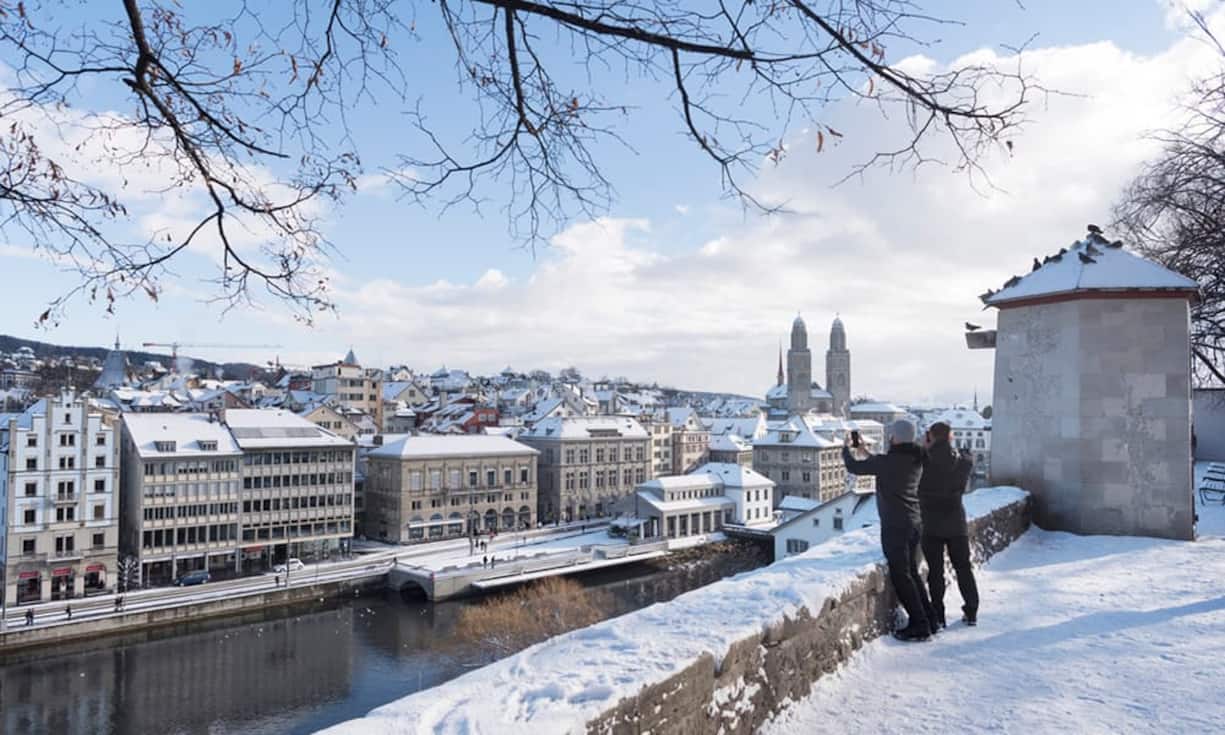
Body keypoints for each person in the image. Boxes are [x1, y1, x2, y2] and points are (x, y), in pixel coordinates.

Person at [843, 419, 938, 641]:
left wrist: (846, 448)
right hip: (915, 522)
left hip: (896, 526)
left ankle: (920, 625)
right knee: (913, 573)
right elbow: (882, 463)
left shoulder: (890, 461)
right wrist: (864, 450)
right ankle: (930, 619)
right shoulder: (917, 457)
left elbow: (854, 467)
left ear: (894, 437)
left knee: (901, 575)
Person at [920, 422, 979, 627]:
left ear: (931, 437)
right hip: (956, 523)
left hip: (931, 523)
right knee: (963, 567)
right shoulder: (962, 462)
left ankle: (938, 614)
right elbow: (968, 458)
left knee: (936, 572)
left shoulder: (923, 461)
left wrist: (925, 447)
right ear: (950, 437)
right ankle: (971, 610)